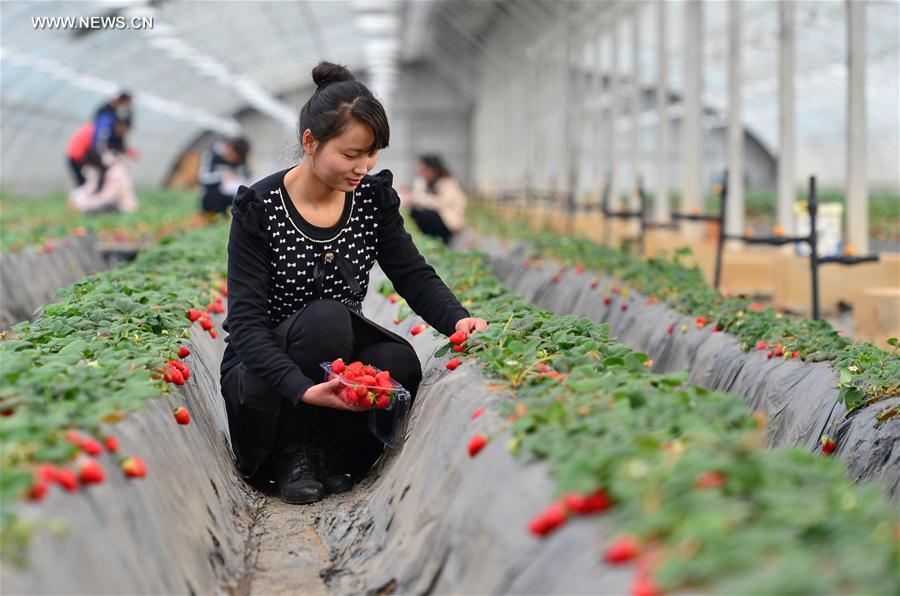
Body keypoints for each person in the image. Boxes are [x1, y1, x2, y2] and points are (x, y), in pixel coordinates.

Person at [219, 61, 488, 505]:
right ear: (310, 142)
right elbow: (246, 327)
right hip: (267, 378)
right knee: (327, 319)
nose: (363, 167)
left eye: (372, 153)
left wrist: (458, 320)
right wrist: (302, 388)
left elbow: (411, 274)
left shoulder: (369, 201)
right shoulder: (260, 209)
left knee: (397, 362)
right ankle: (293, 453)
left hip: (332, 360)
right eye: (350, 154)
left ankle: (332, 452)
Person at [406, 154, 468, 245]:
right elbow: (416, 196)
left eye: (424, 170)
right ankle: (431, 241)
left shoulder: (448, 182)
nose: (421, 173)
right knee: (414, 211)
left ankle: (440, 241)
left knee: (422, 212)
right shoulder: (422, 182)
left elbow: (444, 202)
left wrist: (419, 199)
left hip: (447, 222)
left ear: (433, 170)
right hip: (435, 220)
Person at [198, 137, 251, 215]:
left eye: (237, 159)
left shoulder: (240, 159)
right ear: (228, 147)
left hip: (231, 197)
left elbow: (247, 175)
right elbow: (202, 177)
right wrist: (220, 176)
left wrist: (236, 177)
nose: (233, 160)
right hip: (212, 197)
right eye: (231, 156)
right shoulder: (211, 154)